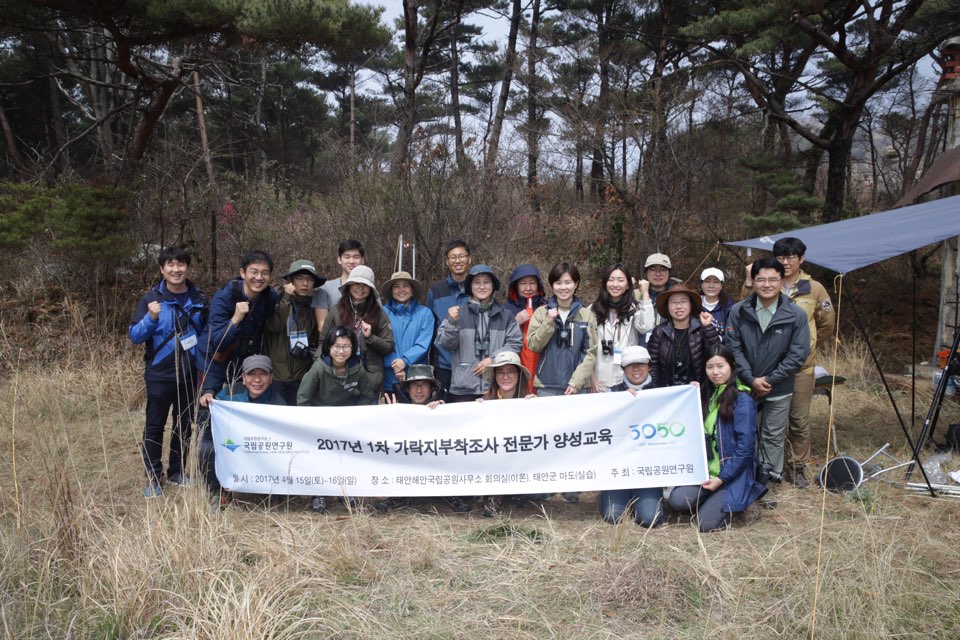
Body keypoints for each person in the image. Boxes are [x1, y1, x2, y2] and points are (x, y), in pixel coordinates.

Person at [726, 257, 810, 493]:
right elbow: (733, 347)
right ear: (752, 281)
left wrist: (770, 380)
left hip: (779, 389)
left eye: (773, 279)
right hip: (744, 387)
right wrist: (750, 378)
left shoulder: (796, 315)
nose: (766, 284)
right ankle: (744, 482)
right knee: (745, 435)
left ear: (781, 281)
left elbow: (798, 354)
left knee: (773, 437)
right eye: (760, 279)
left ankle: (767, 487)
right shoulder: (738, 311)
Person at [129, 246, 207, 497]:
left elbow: (207, 335)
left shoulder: (200, 300)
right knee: (154, 425)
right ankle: (153, 477)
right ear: (162, 269)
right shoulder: (150, 299)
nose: (176, 269)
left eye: (181, 264)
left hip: (189, 373)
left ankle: (176, 472)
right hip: (160, 373)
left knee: (184, 424)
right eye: (170, 265)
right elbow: (135, 335)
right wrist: (151, 318)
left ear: (187, 268)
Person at [668, 345, 768, 532]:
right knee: (676, 501)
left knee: (704, 525)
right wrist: (690, 395)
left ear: (732, 366)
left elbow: (746, 448)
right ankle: (712, 500)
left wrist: (722, 478)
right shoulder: (708, 394)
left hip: (732, 475)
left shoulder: (742, 400)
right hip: (706, 472)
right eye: (710, 367)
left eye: (720, 366)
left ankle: (739, 501)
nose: (715, 372)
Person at [771, 237, 836, 488]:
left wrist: (808, 344)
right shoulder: (767, 282)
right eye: (781, 257)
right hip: (770, 367)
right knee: (770, 420)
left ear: (801, 259)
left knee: (799, 420)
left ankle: (798, 467)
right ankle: (770, 466)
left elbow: (827, 323)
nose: (785, 262)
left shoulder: (814, 288)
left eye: (791, 257)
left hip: (801, 367)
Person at [297, 326, 378, 514]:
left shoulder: (357, 369)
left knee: (344, 455)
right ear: (328, 348)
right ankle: (318, 494)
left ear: (353, 348)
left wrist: (356, 416)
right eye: (336, 346)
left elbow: (368, 394)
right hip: (319, 417)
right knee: (320, 457)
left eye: (346, 347)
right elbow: (303, 398)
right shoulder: (318, 368)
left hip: (344, 419)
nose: (341, 351)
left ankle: (345, 491)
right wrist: (312, 422)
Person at [197, 355, 286, 509]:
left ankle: (274, 491)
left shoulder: (278, 403)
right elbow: (210, 421)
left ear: (271, 378)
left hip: (263, 449)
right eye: (251, 374)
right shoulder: (229, 393)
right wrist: (207, 402)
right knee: (206, 448)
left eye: (263, 374)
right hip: (233, 446)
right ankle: (218, 491)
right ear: (244, 378)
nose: (257, 379)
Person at [198, 250, 278, 413]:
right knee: (208, 410)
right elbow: (217, 343)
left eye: (264, 273)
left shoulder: (269, 296)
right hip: (213, 360)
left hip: (242, 360)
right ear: (243, 273)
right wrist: (235, 320)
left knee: (238, 409)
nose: (259, 277)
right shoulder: (224, 297)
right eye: (254, 272)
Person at [435, 264, 522, 402]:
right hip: (463, 387)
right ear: (470, 287)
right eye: (477, 282)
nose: (482, 287)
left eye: (486, 282)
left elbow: (515, 343)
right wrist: (453, 323)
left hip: (495, 387)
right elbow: (445, 344)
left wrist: (493, 360)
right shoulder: (456, 313)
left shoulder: (506, 315)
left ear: (493, 286)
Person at [599, 345, 664, 526]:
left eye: (641, 364)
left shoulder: (664, 392)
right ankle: (621, 494)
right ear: (623, 369)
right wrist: (619, 402)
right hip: (619, 467)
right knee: (613, 516)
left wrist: (693, 390)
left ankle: (643, 496)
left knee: (649, 519)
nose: (636, 369)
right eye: (630, 365)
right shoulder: (611, 393)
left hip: (648, 468)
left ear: (649, 366)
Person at [377, 364, 446, 512]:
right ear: (407, 389)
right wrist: (390, 417)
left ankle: (451, 494)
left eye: (424, 385)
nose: (419, 390)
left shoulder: (442, 409)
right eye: (414, 385)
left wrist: (443, 412)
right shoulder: (397, 409)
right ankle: (399, 494)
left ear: (432, 389)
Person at [476, 351, 536, 517]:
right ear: (494, 376)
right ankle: (496, 495)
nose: (505, 376)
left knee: (538, 495)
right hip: (495, 460)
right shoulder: (485, 401)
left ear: (519, 375)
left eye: (510, 371)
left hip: (523, 461)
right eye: (501, 372)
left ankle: (516, 489)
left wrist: (537, 409)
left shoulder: (531, 401)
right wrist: (475, 412)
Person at [321, 265, 394, 396]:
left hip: (369, 381)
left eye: (365, 285)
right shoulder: (335, 311)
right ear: (349, 285)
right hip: (338, 380)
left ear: (371, 289)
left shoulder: (380, 314)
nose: (360, 288)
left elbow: (388, 346)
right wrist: (319, 370)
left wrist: (370, 338)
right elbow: (323, 343)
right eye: (356, 283)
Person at [527, 262, 597, 397]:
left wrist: (576, 382)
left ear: (576, 284)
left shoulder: (586, 314)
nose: (563, 287)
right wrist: (548, 322)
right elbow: (533, 346)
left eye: (568, 282)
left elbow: (590, 352)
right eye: (558, 283)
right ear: (552, 285)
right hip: (547, 386)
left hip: (578, 387)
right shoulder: (541, 313)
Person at [263, 259, 325, 405]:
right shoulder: (275, 300)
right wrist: (286, 298)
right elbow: (273, 325)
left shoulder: (313, 308)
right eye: (300, 278)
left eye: (310, 279)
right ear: (290, 281)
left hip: (301, 376)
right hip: (276, 375)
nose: (305, 283)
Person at [589, 263, 655, 392]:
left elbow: (646, 327)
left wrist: (645, 294)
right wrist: (591, 378)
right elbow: (586, 347)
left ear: (628, 285)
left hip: (626, 381)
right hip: (599, 380)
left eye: (620, 280)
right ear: (604, 283)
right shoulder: (592, 310)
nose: (615, 284)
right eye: (611, 280)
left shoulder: (634, 309)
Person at [647, 284, 720, 387]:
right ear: (667, 306)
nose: (678, 306)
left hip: (696, 391)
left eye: (683, 301)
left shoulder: (701, 329)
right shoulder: (659, 332)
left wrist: (708, 327)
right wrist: (655, 391)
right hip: (667, 391)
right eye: (673, 302)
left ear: (691, 304)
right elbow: (653, 366)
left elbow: (716, 354)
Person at [427, 240, 472, 399]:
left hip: (472, 364)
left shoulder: (478, 287)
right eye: (453, 257)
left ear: (469, 259)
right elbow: (432, 327)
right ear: (447, 262)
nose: (458, 261)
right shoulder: (436, 290)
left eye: (461, 256)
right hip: (444, 364)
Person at [381, 271, 435, 396]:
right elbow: (380, 342)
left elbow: (423, 344)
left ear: (412, 290)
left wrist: (404, 361)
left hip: (417, 377)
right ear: (391, 291)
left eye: (405, 285)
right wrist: (396, 365)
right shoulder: (382, 312)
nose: (401, 290)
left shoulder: (425, 313)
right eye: (396, 286)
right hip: (391, 376)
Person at [503, 264, 548, 394]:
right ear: (515, 286)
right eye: (523, 283)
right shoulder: (506, 309)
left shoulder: (547, 307)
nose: (528, 288)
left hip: (542, 364)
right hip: (516, 364)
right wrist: (516, 322)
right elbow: (498, 340)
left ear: (538, 285)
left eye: (532, 283)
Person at [312, 239, 365, 330]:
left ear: (362, 260)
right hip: (334, 342)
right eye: (347, 257)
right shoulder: (325, 288)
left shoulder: (368, 289)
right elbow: (322, 327)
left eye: (356, 257)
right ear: (339, 260)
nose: (351, 261)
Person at [699, 267, 735, 339]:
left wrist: (718, 339)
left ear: (721, 286)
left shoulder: (729, 308)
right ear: (701, 284)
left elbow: (733, 335)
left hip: (722, 349)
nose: (711, 286)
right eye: (707, 281)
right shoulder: (694, 305)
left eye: (716, 282)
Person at [643, 252, 673, 326]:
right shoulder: (635, 296)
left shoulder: (675, 296)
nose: (658, 274)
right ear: (646, 273)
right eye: (653, 269)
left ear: (669, 273)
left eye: (663, 269)